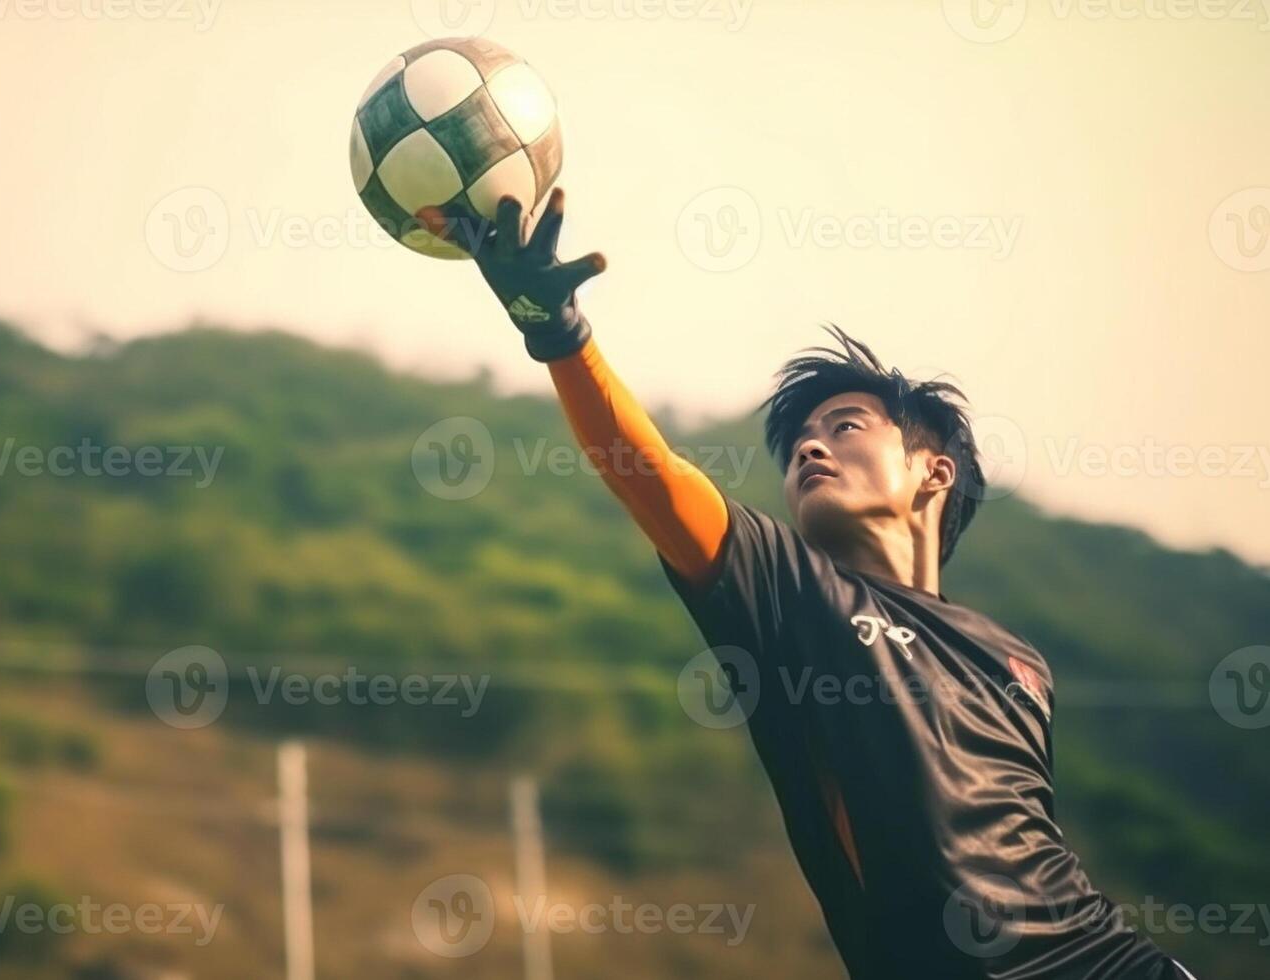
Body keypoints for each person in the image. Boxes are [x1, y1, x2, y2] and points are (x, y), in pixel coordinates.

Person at [417, 190, 1196, 979]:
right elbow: (650, 476)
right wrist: (557, 331)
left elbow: (1026, 846)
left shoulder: (1019, 661)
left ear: (935, 471)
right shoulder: (792, 589)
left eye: (844, 427)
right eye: (797, 446)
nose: (810, 451)